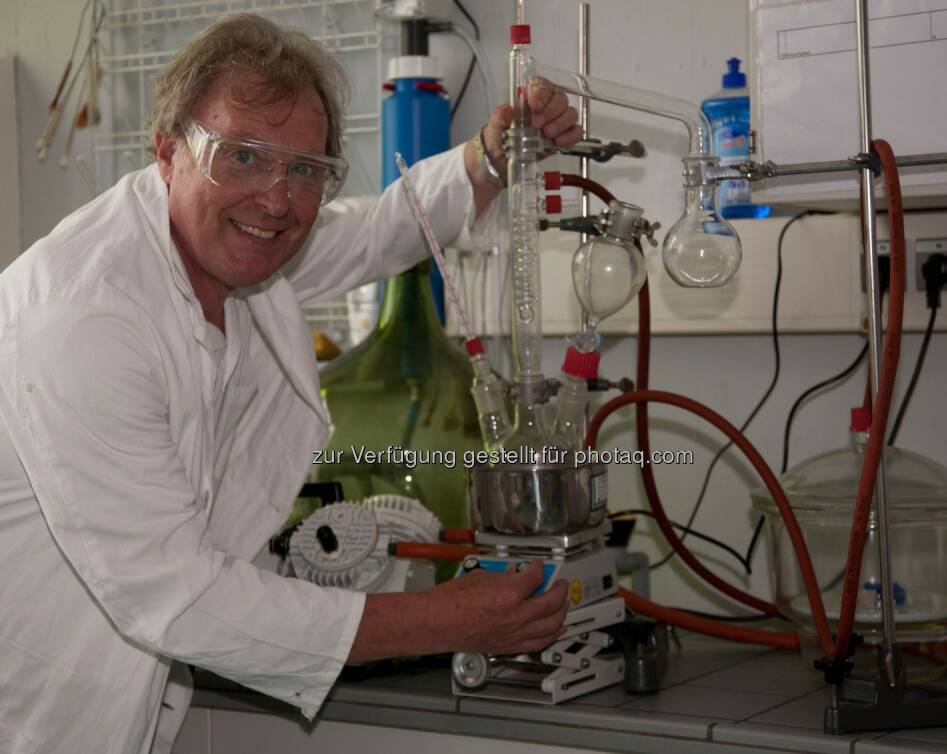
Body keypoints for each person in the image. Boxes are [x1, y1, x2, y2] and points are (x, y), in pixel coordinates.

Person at [0, 13, 582, 754]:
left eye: (305, 169)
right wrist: (452, 618)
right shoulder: (85, 315)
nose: (276, 199)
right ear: (168, 151)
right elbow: (180, 597)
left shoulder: (237, 245)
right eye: (242, 155)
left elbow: (378, 232)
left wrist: (489, 159)